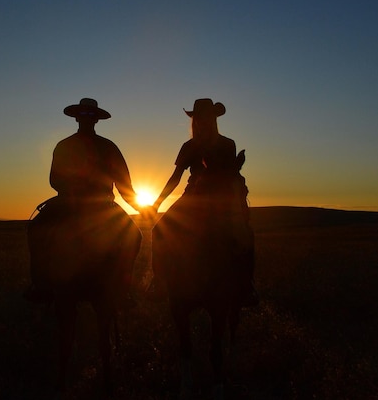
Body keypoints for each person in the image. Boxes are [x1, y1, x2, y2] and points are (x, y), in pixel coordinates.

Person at [25, 98, 143, 307]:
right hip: (69, 201)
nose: (87, 119)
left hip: (102, 205)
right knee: (36, 229)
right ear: (77, 118)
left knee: (135, 236)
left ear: (96, 120)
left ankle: (123, 288)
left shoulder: (108, 147)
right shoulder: (65, 146)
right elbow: (54, 179)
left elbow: (124, 185)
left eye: (91, 115)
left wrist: (140, 208)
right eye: (84, 115)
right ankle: (39, 284)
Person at [147, 98, 258, 306]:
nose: (202, 121)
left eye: (207, 117)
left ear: (213, 119)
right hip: (192, 197)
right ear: (195, 120)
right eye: (199, 118)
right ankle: (159, 280)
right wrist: (157, 203)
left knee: (246, 234)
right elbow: (176, 176)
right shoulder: (189, 146)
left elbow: (230, 173)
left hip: (221, 197)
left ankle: (246, 283)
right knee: (159, 230)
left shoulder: (228, 144)